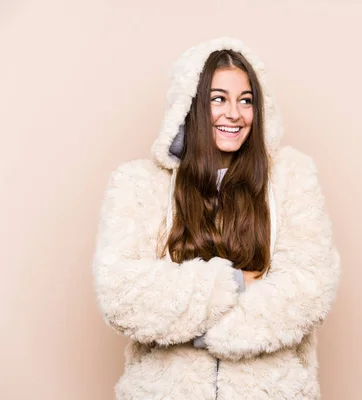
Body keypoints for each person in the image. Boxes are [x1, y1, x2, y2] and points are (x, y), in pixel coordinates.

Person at [91, 37, 341, 399]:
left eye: (246, 100)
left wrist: (202, 330)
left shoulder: (292, 177)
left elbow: (308, 288)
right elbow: (123, 296)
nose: (234, 114)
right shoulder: (139, 184)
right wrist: (237, 284)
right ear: (190, 106)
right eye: (218, 98)